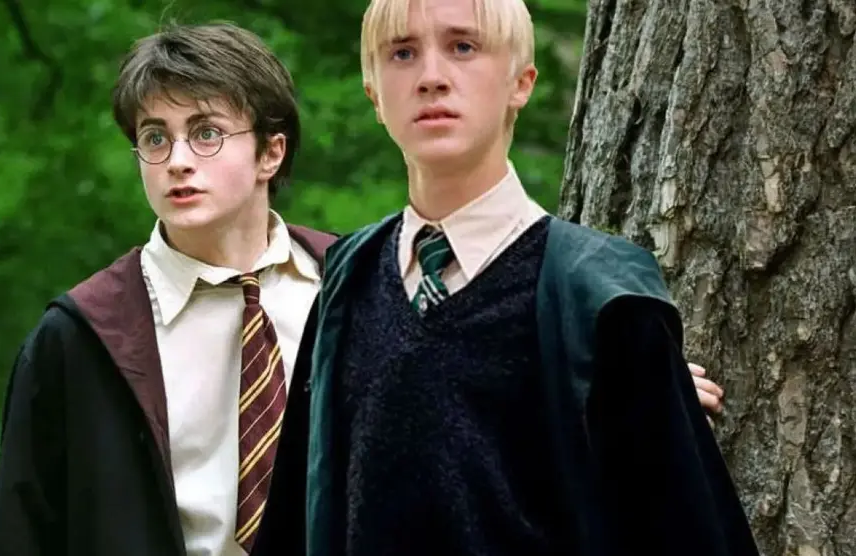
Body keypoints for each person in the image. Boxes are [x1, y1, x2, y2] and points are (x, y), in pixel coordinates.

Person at [262, 0, 759, 555]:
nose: (431, 77)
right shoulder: (346, 283)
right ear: (375, 95)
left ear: (521, 83)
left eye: (463, 47)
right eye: (402, 53)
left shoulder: (601, 299)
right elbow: (295, 523)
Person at [0, 23, 336, 556]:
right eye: (155, 138)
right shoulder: (80, 338)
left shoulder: (354, 287)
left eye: (206, 133)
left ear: (271, 152)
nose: (177, 160)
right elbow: (21, 537)